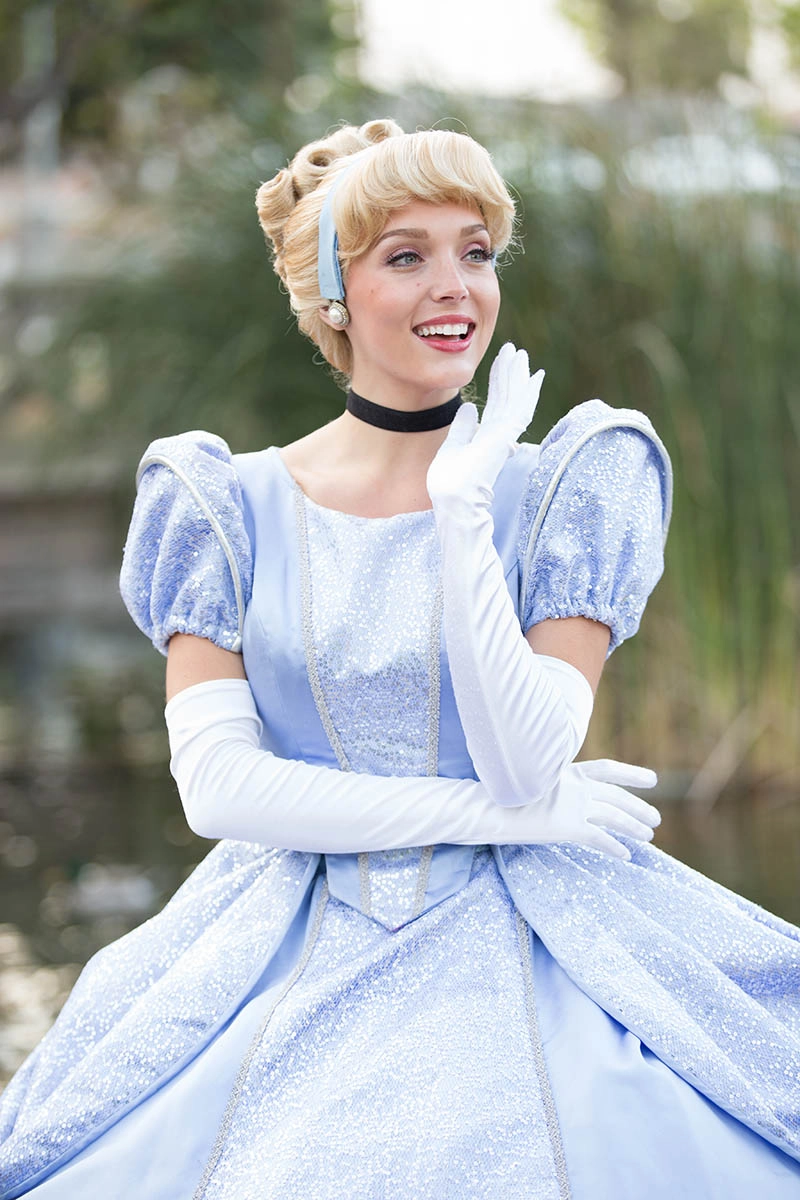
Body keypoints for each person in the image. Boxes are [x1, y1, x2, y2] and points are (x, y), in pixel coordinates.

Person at [1, 119, 798, 1200]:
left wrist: (461, 508)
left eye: (475, 251)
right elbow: (219, 790)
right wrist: (495, 818)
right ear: (334, 295)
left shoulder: (568, 485)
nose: (454, 286)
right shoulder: (222, 502)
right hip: (282, 929)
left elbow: (526, 763)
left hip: (534, 927)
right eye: (406, 256)